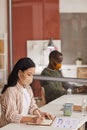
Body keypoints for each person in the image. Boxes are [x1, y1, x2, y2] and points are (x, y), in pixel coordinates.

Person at [0, 57, 54, 128]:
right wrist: (32, 119)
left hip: (21, 126)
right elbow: (11, 116)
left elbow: (32, 106)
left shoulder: (28, 88)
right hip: (8, 127)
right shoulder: (11, 91)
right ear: (19, 73)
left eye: (32, 75)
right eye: (29, 74)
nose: (31, 78)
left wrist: (41, 114)